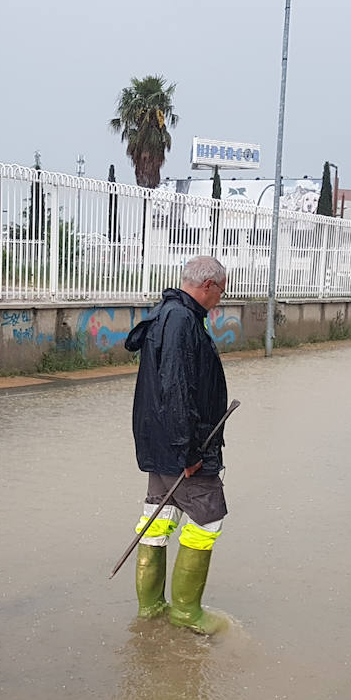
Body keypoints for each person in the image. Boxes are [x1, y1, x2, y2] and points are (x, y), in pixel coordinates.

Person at [123, 255, 231, 635]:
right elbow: (176, 388)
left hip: (160, 441)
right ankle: (186, 612)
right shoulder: (183, 321)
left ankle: (151, 608)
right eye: (222, 289)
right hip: (183, 447)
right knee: (208, 519)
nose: (222, 297)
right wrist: (188, 452)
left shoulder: (165, 314)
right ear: (208, 286)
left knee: (159, 516)